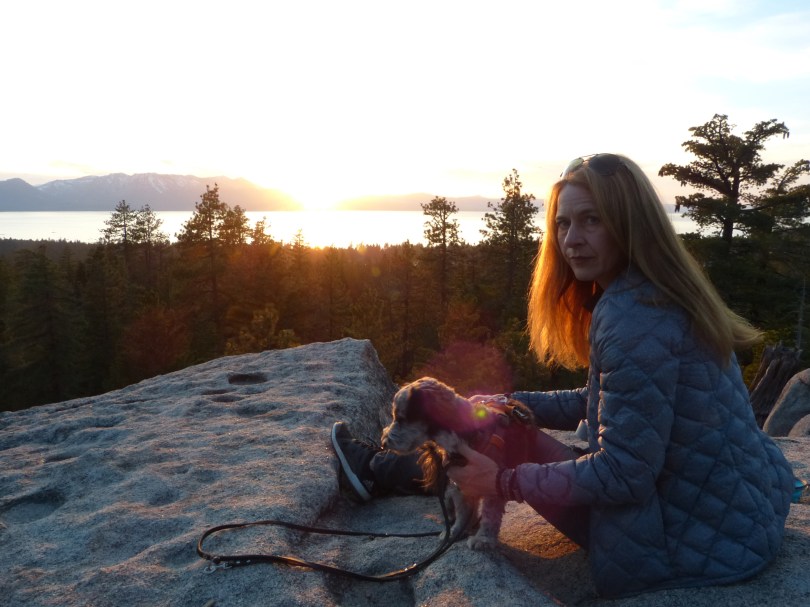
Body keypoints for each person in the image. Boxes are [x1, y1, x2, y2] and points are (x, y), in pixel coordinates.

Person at [331, 153, 795, 598]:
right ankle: (384, 467)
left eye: (592, 219)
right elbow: (603, 399)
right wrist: (507, 399)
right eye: (563, 222)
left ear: (630, 225)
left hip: (683, 542)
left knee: (507, 439)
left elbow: (625, 474)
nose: (571, 239)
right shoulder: (658, 295)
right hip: (734, 517)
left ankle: (377, 470)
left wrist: (502, 482)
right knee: (504, 420)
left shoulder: (634, 321)